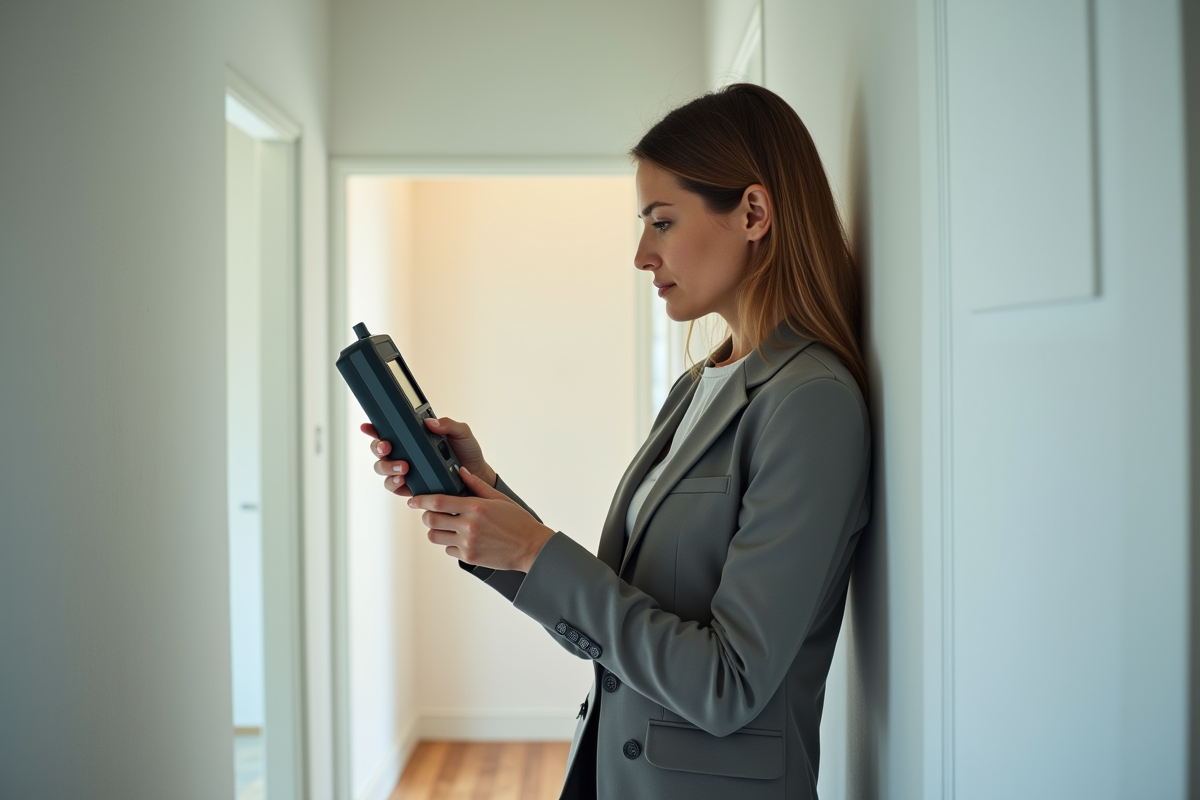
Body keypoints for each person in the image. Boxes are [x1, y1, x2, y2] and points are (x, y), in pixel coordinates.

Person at [361, 83, 870, 800]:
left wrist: (535, 550)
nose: (640, 254)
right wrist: (485, 500)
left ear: (753, 213)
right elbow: (626, 604)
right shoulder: (701, 384)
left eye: (661, 222)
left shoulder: (809, 402)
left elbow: (731, 684)